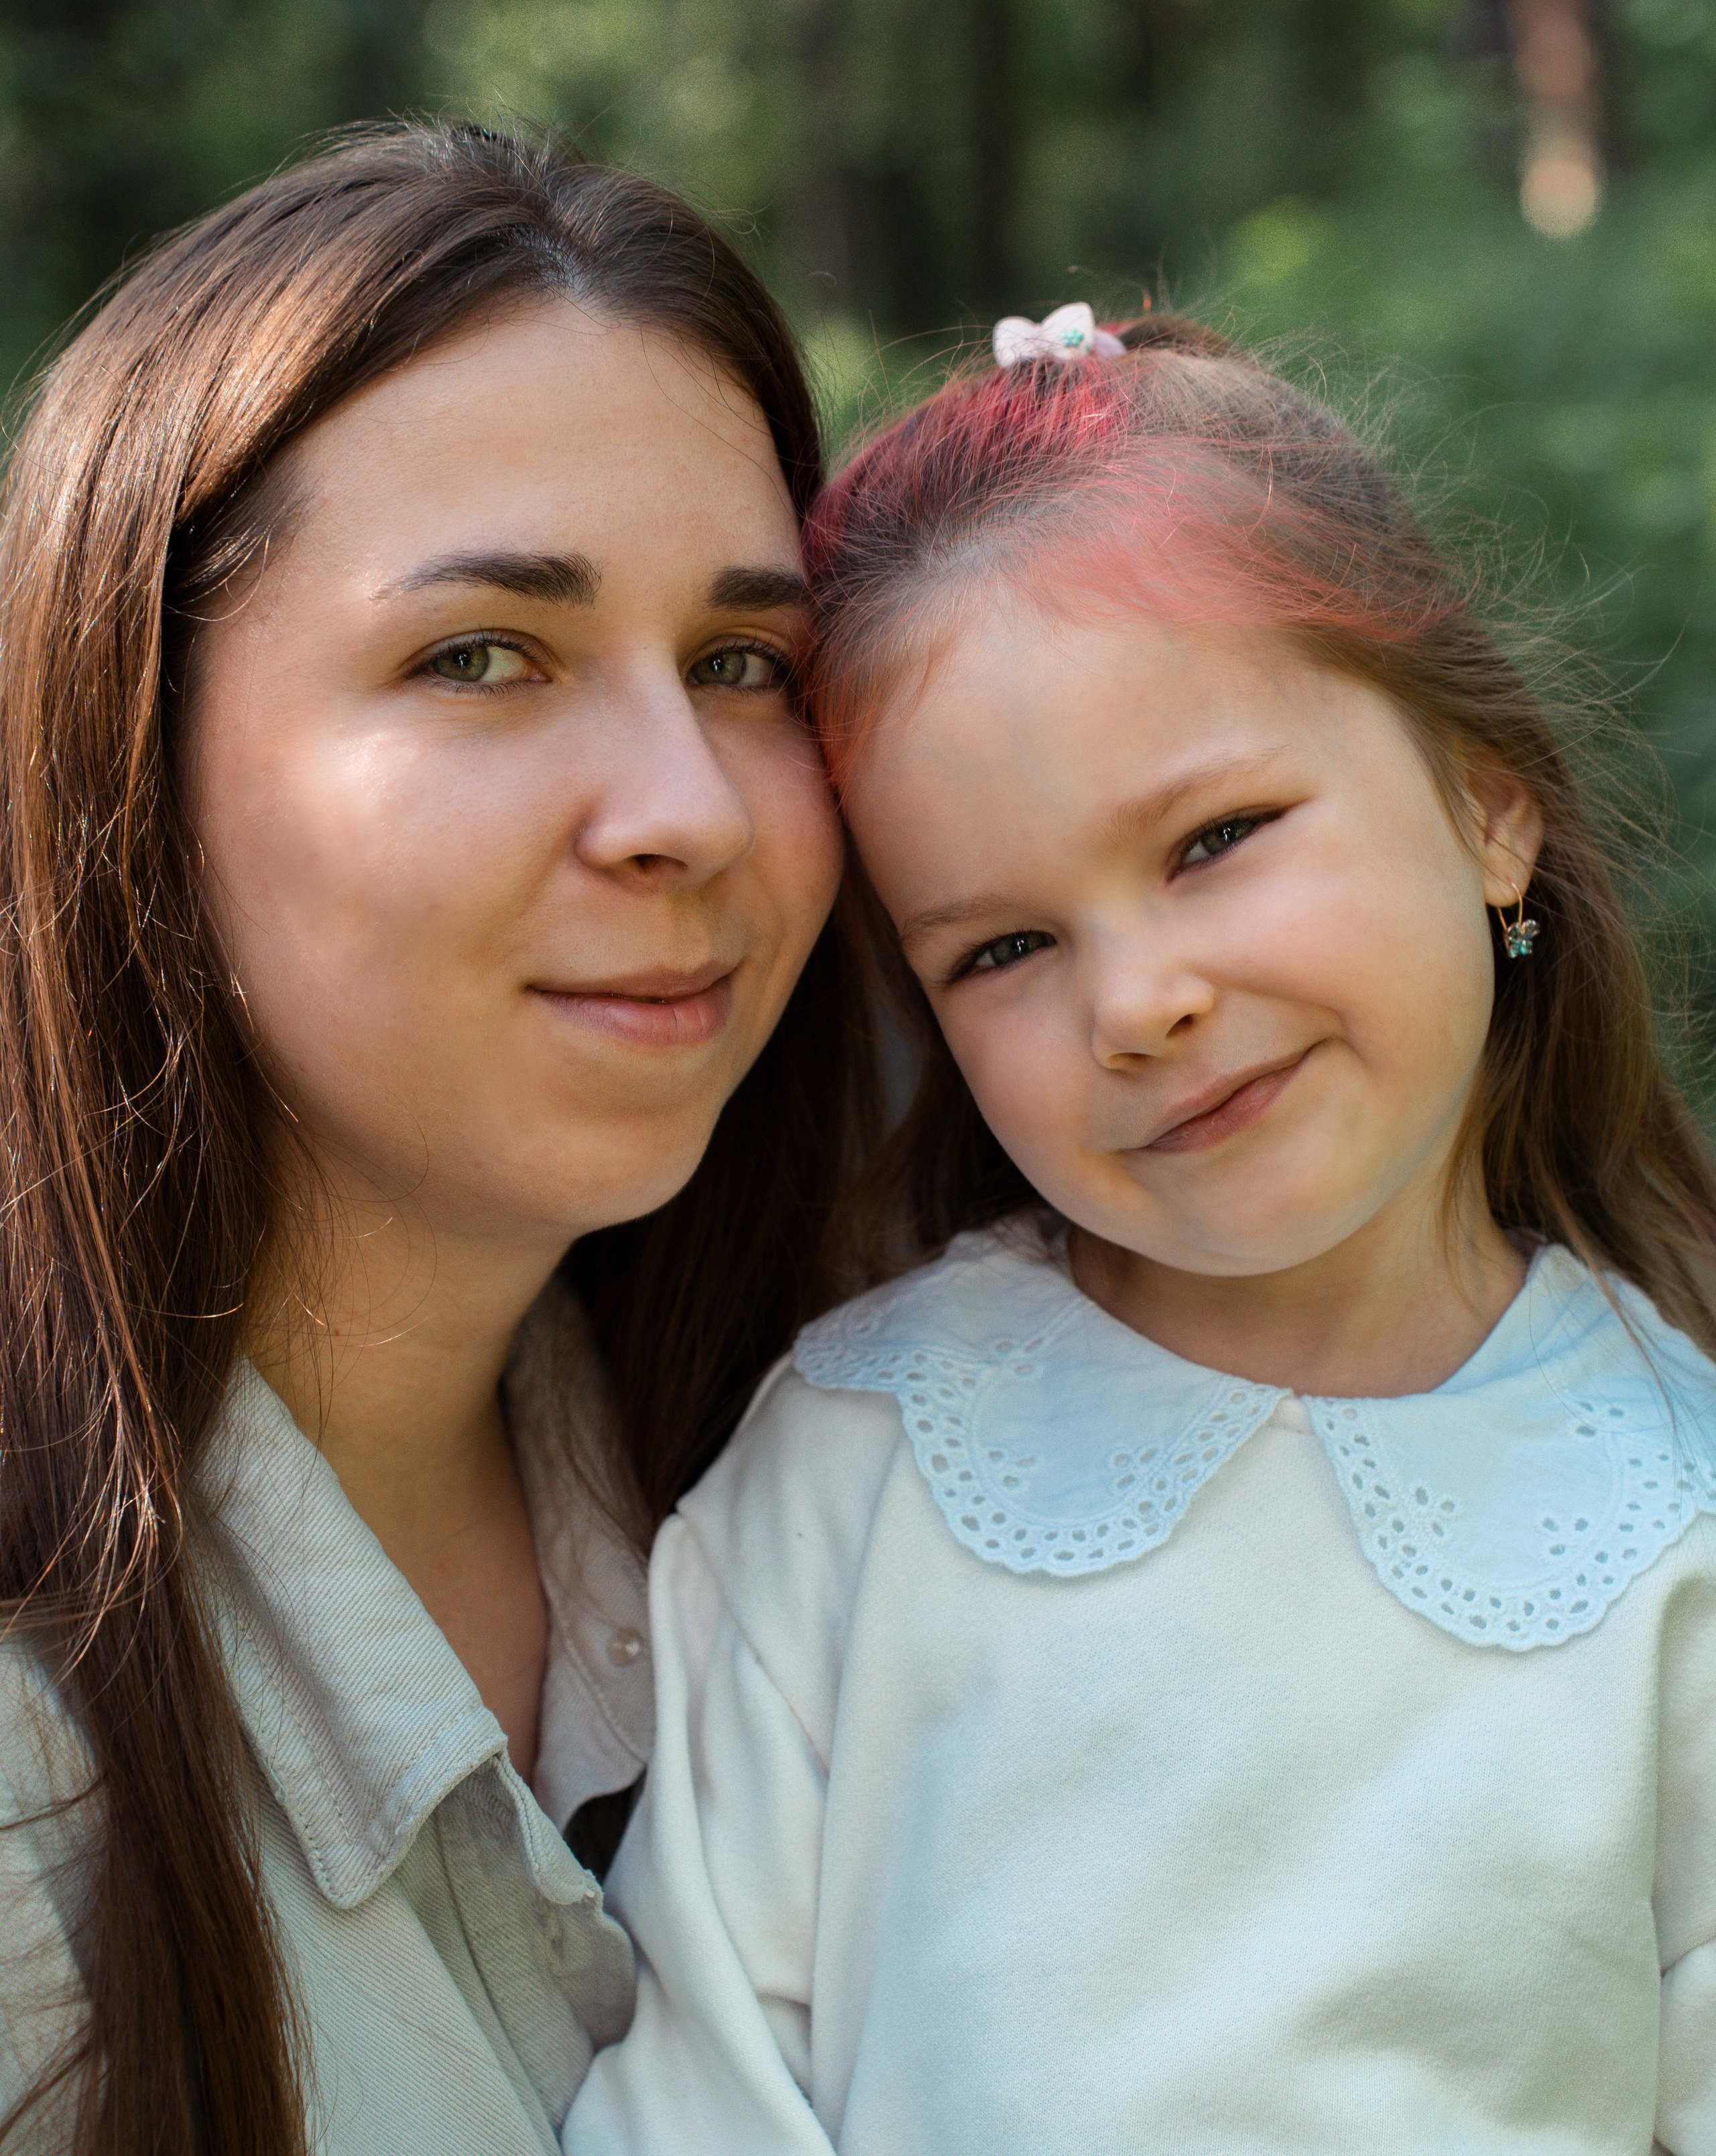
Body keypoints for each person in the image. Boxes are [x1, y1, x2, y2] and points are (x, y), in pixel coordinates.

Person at [567, 307, 1716, 2154]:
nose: (1139, 1000)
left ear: (1489, 806)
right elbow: (687, 2088)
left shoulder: (1681, 1534)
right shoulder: (856, 1465)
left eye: (1214, 838)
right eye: (1001, 948)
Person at [0, 120, 874, 2156]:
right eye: (484, 653)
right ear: (130, 754)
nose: (689, 806)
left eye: (748, 664)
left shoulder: (900, 1463)